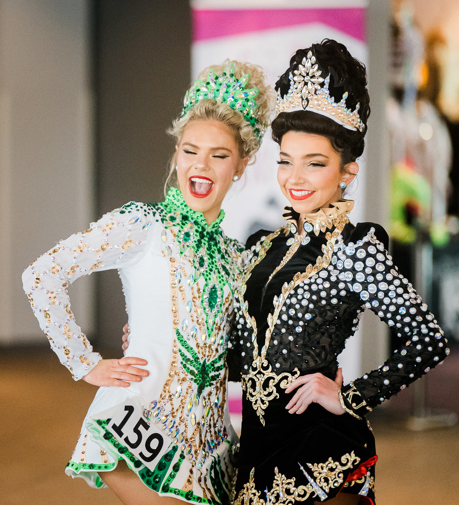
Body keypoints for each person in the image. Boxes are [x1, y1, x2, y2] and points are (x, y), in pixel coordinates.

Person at [22, 60, 274, 505]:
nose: (201, 166)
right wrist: (85, 363)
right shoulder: (142, 224)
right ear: (176, 152)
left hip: (212, 443)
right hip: (143, 421)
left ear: (241, 165)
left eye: (219, 155)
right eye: (190, 150)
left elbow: (227, 349)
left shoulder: (236, 255)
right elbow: (41, 275)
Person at [228, 39, 450, 505]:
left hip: (320, 452)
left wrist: (351, 397)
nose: (295, 178)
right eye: (286, 161)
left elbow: (429, 340)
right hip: (255, 451)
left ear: (346, 172)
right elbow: (240, 357)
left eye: (315, 163)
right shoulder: (262, 247)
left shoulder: (356, 250)